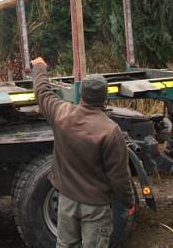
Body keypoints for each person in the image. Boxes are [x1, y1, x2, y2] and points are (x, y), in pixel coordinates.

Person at [31, 57, 135, 248]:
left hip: (66, 201)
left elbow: (42, 92)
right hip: (96, 206)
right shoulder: (110, 131)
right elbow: (119, 176)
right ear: (105, 98)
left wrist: (39, 67)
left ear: (81, 93)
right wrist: (129, 202)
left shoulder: (62, 114)